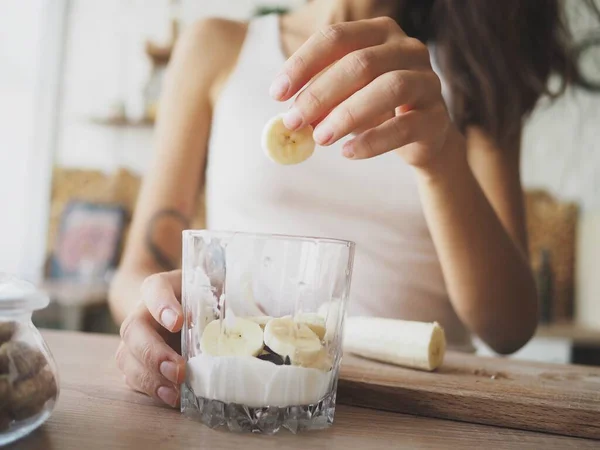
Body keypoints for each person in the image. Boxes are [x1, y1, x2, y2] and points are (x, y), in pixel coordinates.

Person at [109, 0, 598, 407]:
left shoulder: (472, 72)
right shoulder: (217, 47)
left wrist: (440, 161)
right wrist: (160, 313)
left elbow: (508, 326)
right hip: (248, 396)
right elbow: (141, 267)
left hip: (418, 411)